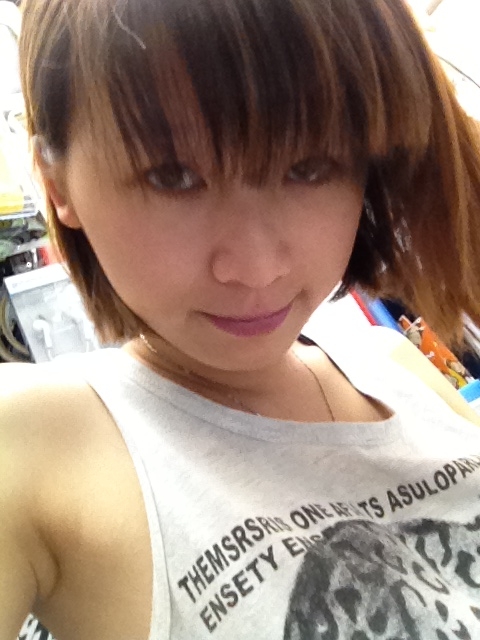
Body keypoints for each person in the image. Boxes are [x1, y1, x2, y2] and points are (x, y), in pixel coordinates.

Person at [3, 0, 480, 638]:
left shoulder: (391, 362)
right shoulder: (37, 443)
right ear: (57, 185)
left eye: (310, 167)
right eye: (172, 176)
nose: (257, 269)